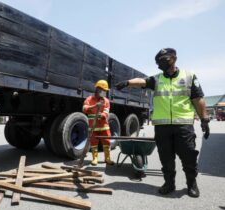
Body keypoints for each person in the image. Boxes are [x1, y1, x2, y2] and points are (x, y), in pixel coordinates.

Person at [116, 48, 209, 198]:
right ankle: (169, 183)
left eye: (164, 60)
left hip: (183, 126)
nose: (161, 63)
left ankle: (191, 184)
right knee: (166, 158)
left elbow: (198, 100)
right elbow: (142, 81)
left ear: (174, 58)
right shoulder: (157, 79)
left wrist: (204, 120)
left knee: (189, 157)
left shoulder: (189, 76)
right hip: (162, 127)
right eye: (158, 62)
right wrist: (128, 82)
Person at [83, 80, 115, 167]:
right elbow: (84, 109)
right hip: (92, 127)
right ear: (97, 89)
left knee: (107, 142)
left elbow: (106, 112)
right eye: (103, 90)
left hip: (104, 127)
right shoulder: (89, 99)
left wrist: (102, 115)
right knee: (93, 143)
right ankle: (95, 158)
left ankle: (107, 158)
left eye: (105, 91)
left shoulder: (106, 101)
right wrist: (95, 106)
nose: (104, 92)